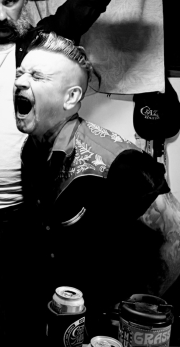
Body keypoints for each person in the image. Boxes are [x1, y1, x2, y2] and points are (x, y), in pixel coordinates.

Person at [0, 0, 124, 346]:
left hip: (24, 214)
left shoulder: (48, 41)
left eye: (11, 0)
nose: (1, 15)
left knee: (26, 315)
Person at [14, 31, 180, 339]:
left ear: (71, 97)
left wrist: (135, 312)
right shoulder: (31, 149)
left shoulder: (117, 160)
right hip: (61, 312)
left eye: (36, 76)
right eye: (20, 73)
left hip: (106, 324)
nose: (20, 82)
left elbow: (176, 235)